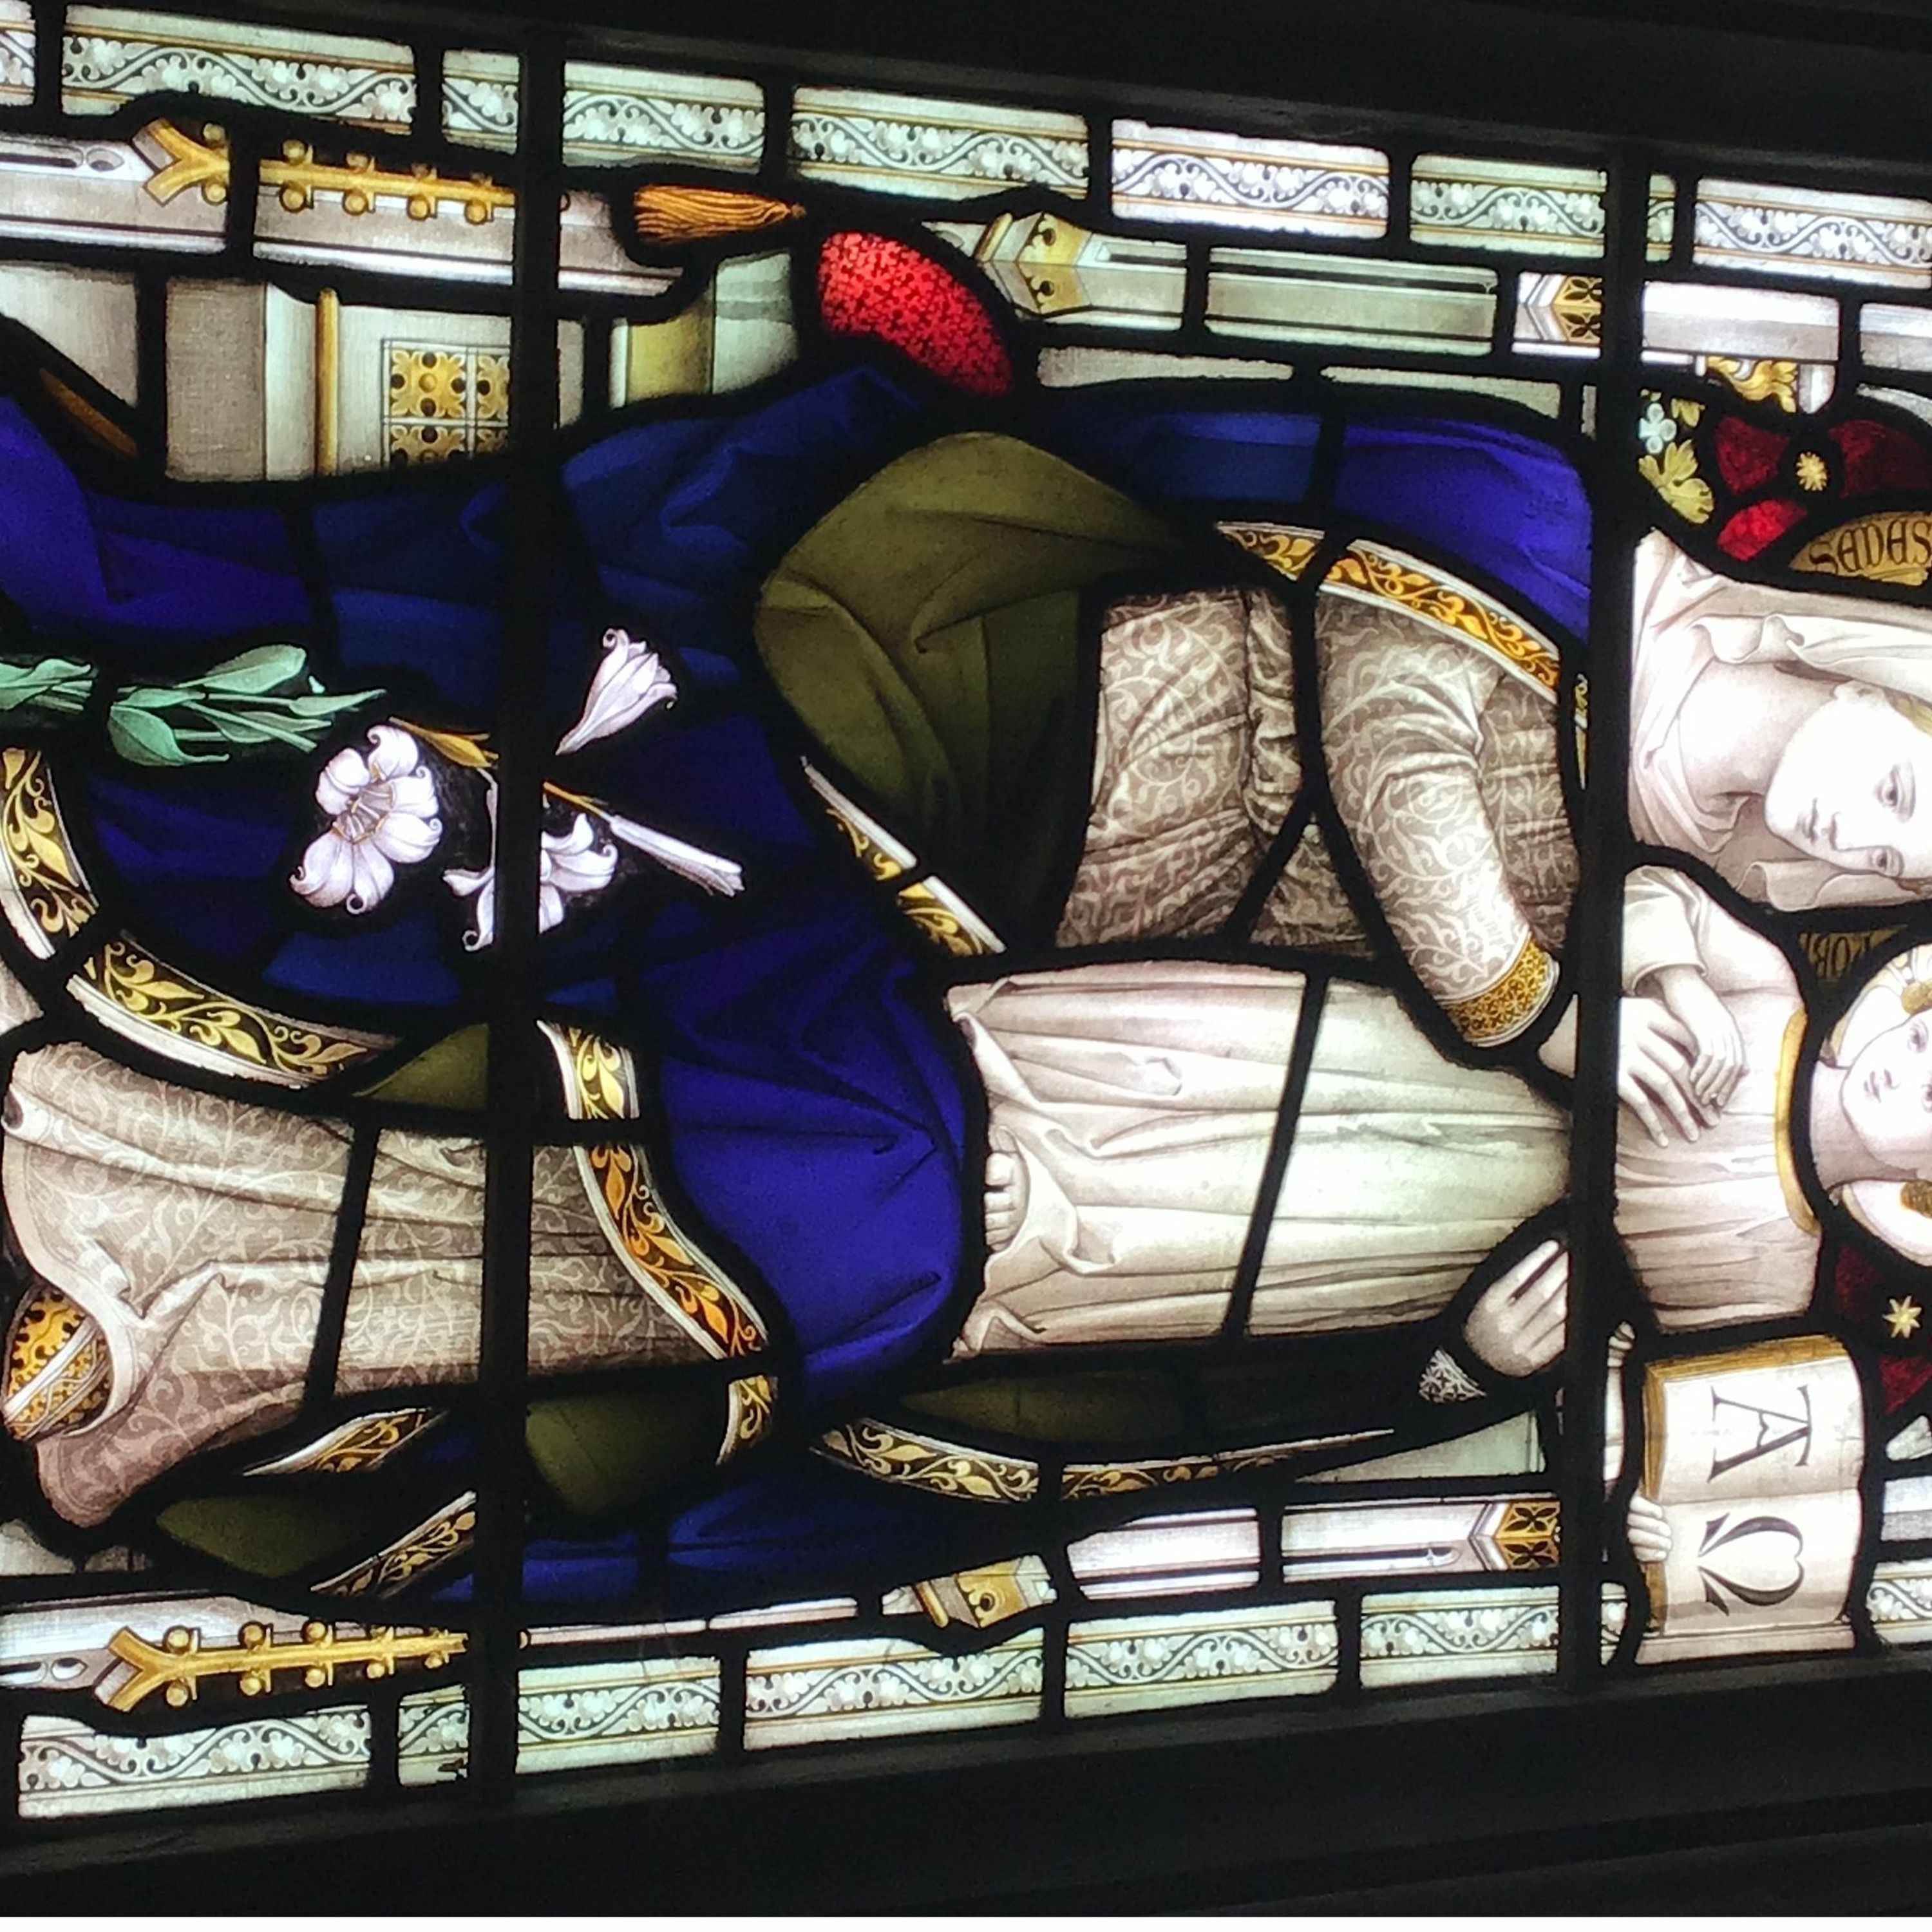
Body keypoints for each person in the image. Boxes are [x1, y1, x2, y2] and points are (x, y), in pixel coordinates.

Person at [1631, 529, 1932, 908]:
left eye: (1883, 860)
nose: (1846, 841)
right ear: (1869, 690)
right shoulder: (1651, 581)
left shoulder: (1679, 878)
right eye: (1892, 794)